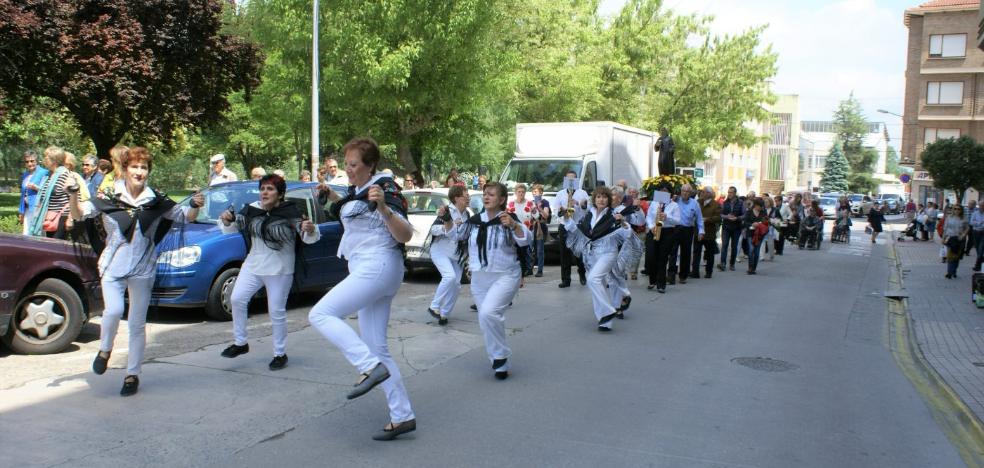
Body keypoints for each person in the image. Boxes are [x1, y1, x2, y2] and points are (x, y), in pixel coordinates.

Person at [69, 147, 203, 396]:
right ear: (125, 169)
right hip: (112, 265)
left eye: (144, 168)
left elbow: (185, 216)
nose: (139, 172)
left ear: (148, 172)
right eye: (135, 167)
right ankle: (105, 349)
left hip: (143, 268)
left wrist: (195, 204)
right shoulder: (109, 195)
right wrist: (73, 196)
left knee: (137, 324)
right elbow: (80, 214)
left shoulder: (156, 201)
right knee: (113, 311)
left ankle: (132, 374)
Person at [308, 137, 416, 441]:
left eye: (354, 164)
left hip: (378, 265)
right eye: (346, 164)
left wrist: (383, 207)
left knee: (321, 314)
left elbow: (405, 235)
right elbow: (352, 214)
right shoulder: (357, 192)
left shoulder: (385, 190)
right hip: (371, 268)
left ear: (370, 166)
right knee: (378, 347)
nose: (348, 169)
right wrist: (331, 197)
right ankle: (402, 415)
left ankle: (369, 367)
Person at [218, 174, 320, 370]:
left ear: (280, 194)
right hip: (253, 264)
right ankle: (241, 343)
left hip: (280, 269)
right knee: (237, 299)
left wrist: (309, 228)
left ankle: (280, 354)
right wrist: (227, 220)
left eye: (270, 189)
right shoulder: (251, 210)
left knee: (276, 312)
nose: (265, 192)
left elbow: (308, 237)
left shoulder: (290, 212)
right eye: (263, 188)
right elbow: (231, 229)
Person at [445, 182, 530, 378]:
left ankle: (499, 356)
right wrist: (446, 219)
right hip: (480, 277)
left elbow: (525, 239)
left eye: (491, 194)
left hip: (506, 274)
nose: (486, 197)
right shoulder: (475, 220)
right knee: (486, 318)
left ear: (501, 200)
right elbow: (457, 236)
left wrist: (515, 225)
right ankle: (499, 363)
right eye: (485, 194)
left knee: (489, 313)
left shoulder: (508, 220)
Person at [563, 186, 632, 331]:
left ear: (608, 200)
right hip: (592, 255)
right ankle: (604, 321)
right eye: (598, 197)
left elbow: (627, 234)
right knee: (596, 284)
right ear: (594, 199)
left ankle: (609, 310)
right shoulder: (589, 215)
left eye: (604, 197)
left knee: (592, 279)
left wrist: (623, 222)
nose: (601, 199)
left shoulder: (613, 214)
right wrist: (566, 217)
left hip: (608, 253)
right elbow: (576, 229)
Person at [427, 185, 471, 325]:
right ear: (456, 198)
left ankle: (444, 314)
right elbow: (433, 230)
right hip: (439, 251)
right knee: (449, 276)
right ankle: (434, 306)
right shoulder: (447, 211)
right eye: (466, 195)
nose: (468, 197)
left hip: (455, 255)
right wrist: (448, 225)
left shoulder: (467, 214)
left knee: (457, 284)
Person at [551, 169, 589, 287]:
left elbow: (588, 210)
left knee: (579, 253)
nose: (571, 181)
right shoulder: (560, 193)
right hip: (565, 225)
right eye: (569, 179)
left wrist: (578, 203)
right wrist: (562, 211)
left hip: (578, 226)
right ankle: (565, 280)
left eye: (573, 178)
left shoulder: (582, 193)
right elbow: (556, 211)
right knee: (564, 253)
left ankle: (582, 273)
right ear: (565, 180)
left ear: (576, 180)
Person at [29, 147, 74, 239]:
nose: (44, 159)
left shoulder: (65, 175)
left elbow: (74, 197)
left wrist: (70, 219)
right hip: (48, 216)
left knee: (57, 246)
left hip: (61, 217)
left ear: (54, 160)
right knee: (49, 245)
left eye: (46, 157)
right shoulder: (48, 175)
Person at [645, 183, 679, 293]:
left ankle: (661, 284)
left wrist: (667, 217)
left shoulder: (674, 205)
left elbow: (678, 221)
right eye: (662, 191)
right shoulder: (654, 203)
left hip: (667, 232)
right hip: (654, 230)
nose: (663, 193)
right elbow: (649, 217)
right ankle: (652, 280)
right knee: (650, 256)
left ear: (670, 193)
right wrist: (651, 227)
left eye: (666, 191)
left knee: (662, 258)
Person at [668, 184, 703, 283]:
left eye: (687, 191)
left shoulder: (695, 203)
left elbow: (699, 219)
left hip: (688, 229)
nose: (685, 193)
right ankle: (671, 275)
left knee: (686, 253)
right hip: (675, 228)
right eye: (683, 191)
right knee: (673, 252)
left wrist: (701, 231)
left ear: (691, 193)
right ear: (680, 191)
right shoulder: (675, 200)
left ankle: (683, 275)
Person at [507, 183, 536, 277]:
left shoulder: (530, 203)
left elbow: (537, 215)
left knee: (527, 250)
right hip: (515, 231)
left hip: (528, 230)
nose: (521, 194)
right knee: (518, 251)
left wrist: (535, 212)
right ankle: (520, 269)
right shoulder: (511, 204)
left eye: (523, 192)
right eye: (519, 192)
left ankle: (529, 268)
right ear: (515, 193)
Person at [18, 150, 49, 235]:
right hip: (27, 209)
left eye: (32, 161)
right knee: (26, 234)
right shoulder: (25, 175)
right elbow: (23, 195)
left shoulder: (44, 172)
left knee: (37, 236)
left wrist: (37, 188)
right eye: (27, 161)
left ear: (37, 161)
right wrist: (21, 211)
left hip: (38, 209)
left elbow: (49, 191)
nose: (29, 164)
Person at [693, 186, 720, 278]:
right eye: (701, 192)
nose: (701, 193)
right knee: (696, 252)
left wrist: (707, 219)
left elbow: (718, 218)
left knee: (709, 253)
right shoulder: (698, 202)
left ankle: (709, 272)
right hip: (698, 232)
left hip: (709, 233)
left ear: (709, 194)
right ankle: (695, 272)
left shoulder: (715, 204)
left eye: (703, 192)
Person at [718, 186, 745, 271]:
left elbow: (745, 215)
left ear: (735, 193)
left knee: (734, 246)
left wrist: (737, 218)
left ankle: (732, 263)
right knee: (724, 245)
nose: (729, 194)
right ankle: (723, 263)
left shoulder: (741, 202)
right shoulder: (725, 202)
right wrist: (726, 216)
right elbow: (720, 214)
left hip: (736, 227)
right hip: (726, 226)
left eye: (731, 192)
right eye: (728, 192)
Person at [530, 183, 552, 277]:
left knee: (539, 249)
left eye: (536, 192)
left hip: (541, 226)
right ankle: (529, 268)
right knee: (530, 248)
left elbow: (546, 215)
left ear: (541, 193)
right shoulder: (531, 202)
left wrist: (539, 208)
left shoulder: (545, 202)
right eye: (533, 192)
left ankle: (540, 270)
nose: (534, 193)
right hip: (532, 226)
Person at [943, 204, 970, 279]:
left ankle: (954, 270)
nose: (956, 210)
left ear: (961, 210)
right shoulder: (949, 217)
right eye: (955, 209)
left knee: (956, 257)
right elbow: (945, 228)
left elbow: (967, 228)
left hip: (959, 239)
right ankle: (949, 272)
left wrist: (963, 235)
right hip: (950, 238)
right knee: (950, 256)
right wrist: (943, 238)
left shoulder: (964, 218)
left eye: (958, 209)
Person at [743, 198, 768, 274]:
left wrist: (760, 224)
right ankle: (750, 268)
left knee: (757, 252)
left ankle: (754, 268)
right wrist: (752, 224)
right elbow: (745, 222)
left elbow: (766, 222)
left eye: (762, 206)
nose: (761, 208)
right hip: (750, 233)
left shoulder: (763, 212)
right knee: (751, 249)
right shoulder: (749, 212)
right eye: (760, 206)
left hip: (760, 234)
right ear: (756, 205)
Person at [971, 202, 984, 271]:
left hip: (983, 233)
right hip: (976, 232)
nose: (982, 207)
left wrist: (978, 223)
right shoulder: (975, 213)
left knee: (981, 248)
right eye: (981, 206)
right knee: (977, 248)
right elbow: (971, 222)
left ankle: (977, 265)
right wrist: (980, 223)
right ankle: (981, 261)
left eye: (983, 206)